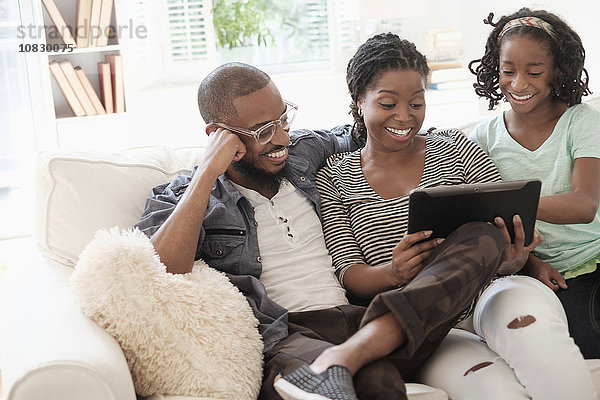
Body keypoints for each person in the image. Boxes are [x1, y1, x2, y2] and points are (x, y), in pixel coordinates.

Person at [134, 62, 512, 400]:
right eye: (263, 131)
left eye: (283, 120)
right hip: (289, 336)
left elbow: (378, 124)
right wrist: (205, 175)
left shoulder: (306, 153)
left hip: (367, 318)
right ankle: (344, 363)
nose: (281, 139)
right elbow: (159, 269)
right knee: (376, 384)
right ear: (219, 135)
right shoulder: (187, 197)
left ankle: (353, 351)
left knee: (484, 237)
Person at [316, 32, 596, 400]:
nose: (405, 117)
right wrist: (392, 272)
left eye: (417, 103)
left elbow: (507, 224)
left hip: (493, 290)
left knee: (540, 345)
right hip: (427, 328)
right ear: (359, 101)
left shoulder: (456, 147)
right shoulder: (335, 178)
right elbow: (350, 273)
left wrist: (518, 257)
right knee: (493, 389)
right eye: (387, 103)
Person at [469, 7, 600, 361]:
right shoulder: (481, 140)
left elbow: (584, 205)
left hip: (592, 259)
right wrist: (531, 264)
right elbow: (487, 222)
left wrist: (511, 201)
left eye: (534, 72)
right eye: (507, 71)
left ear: (557, 71)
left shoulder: (582, 122)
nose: (518, 83)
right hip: (536, 270)